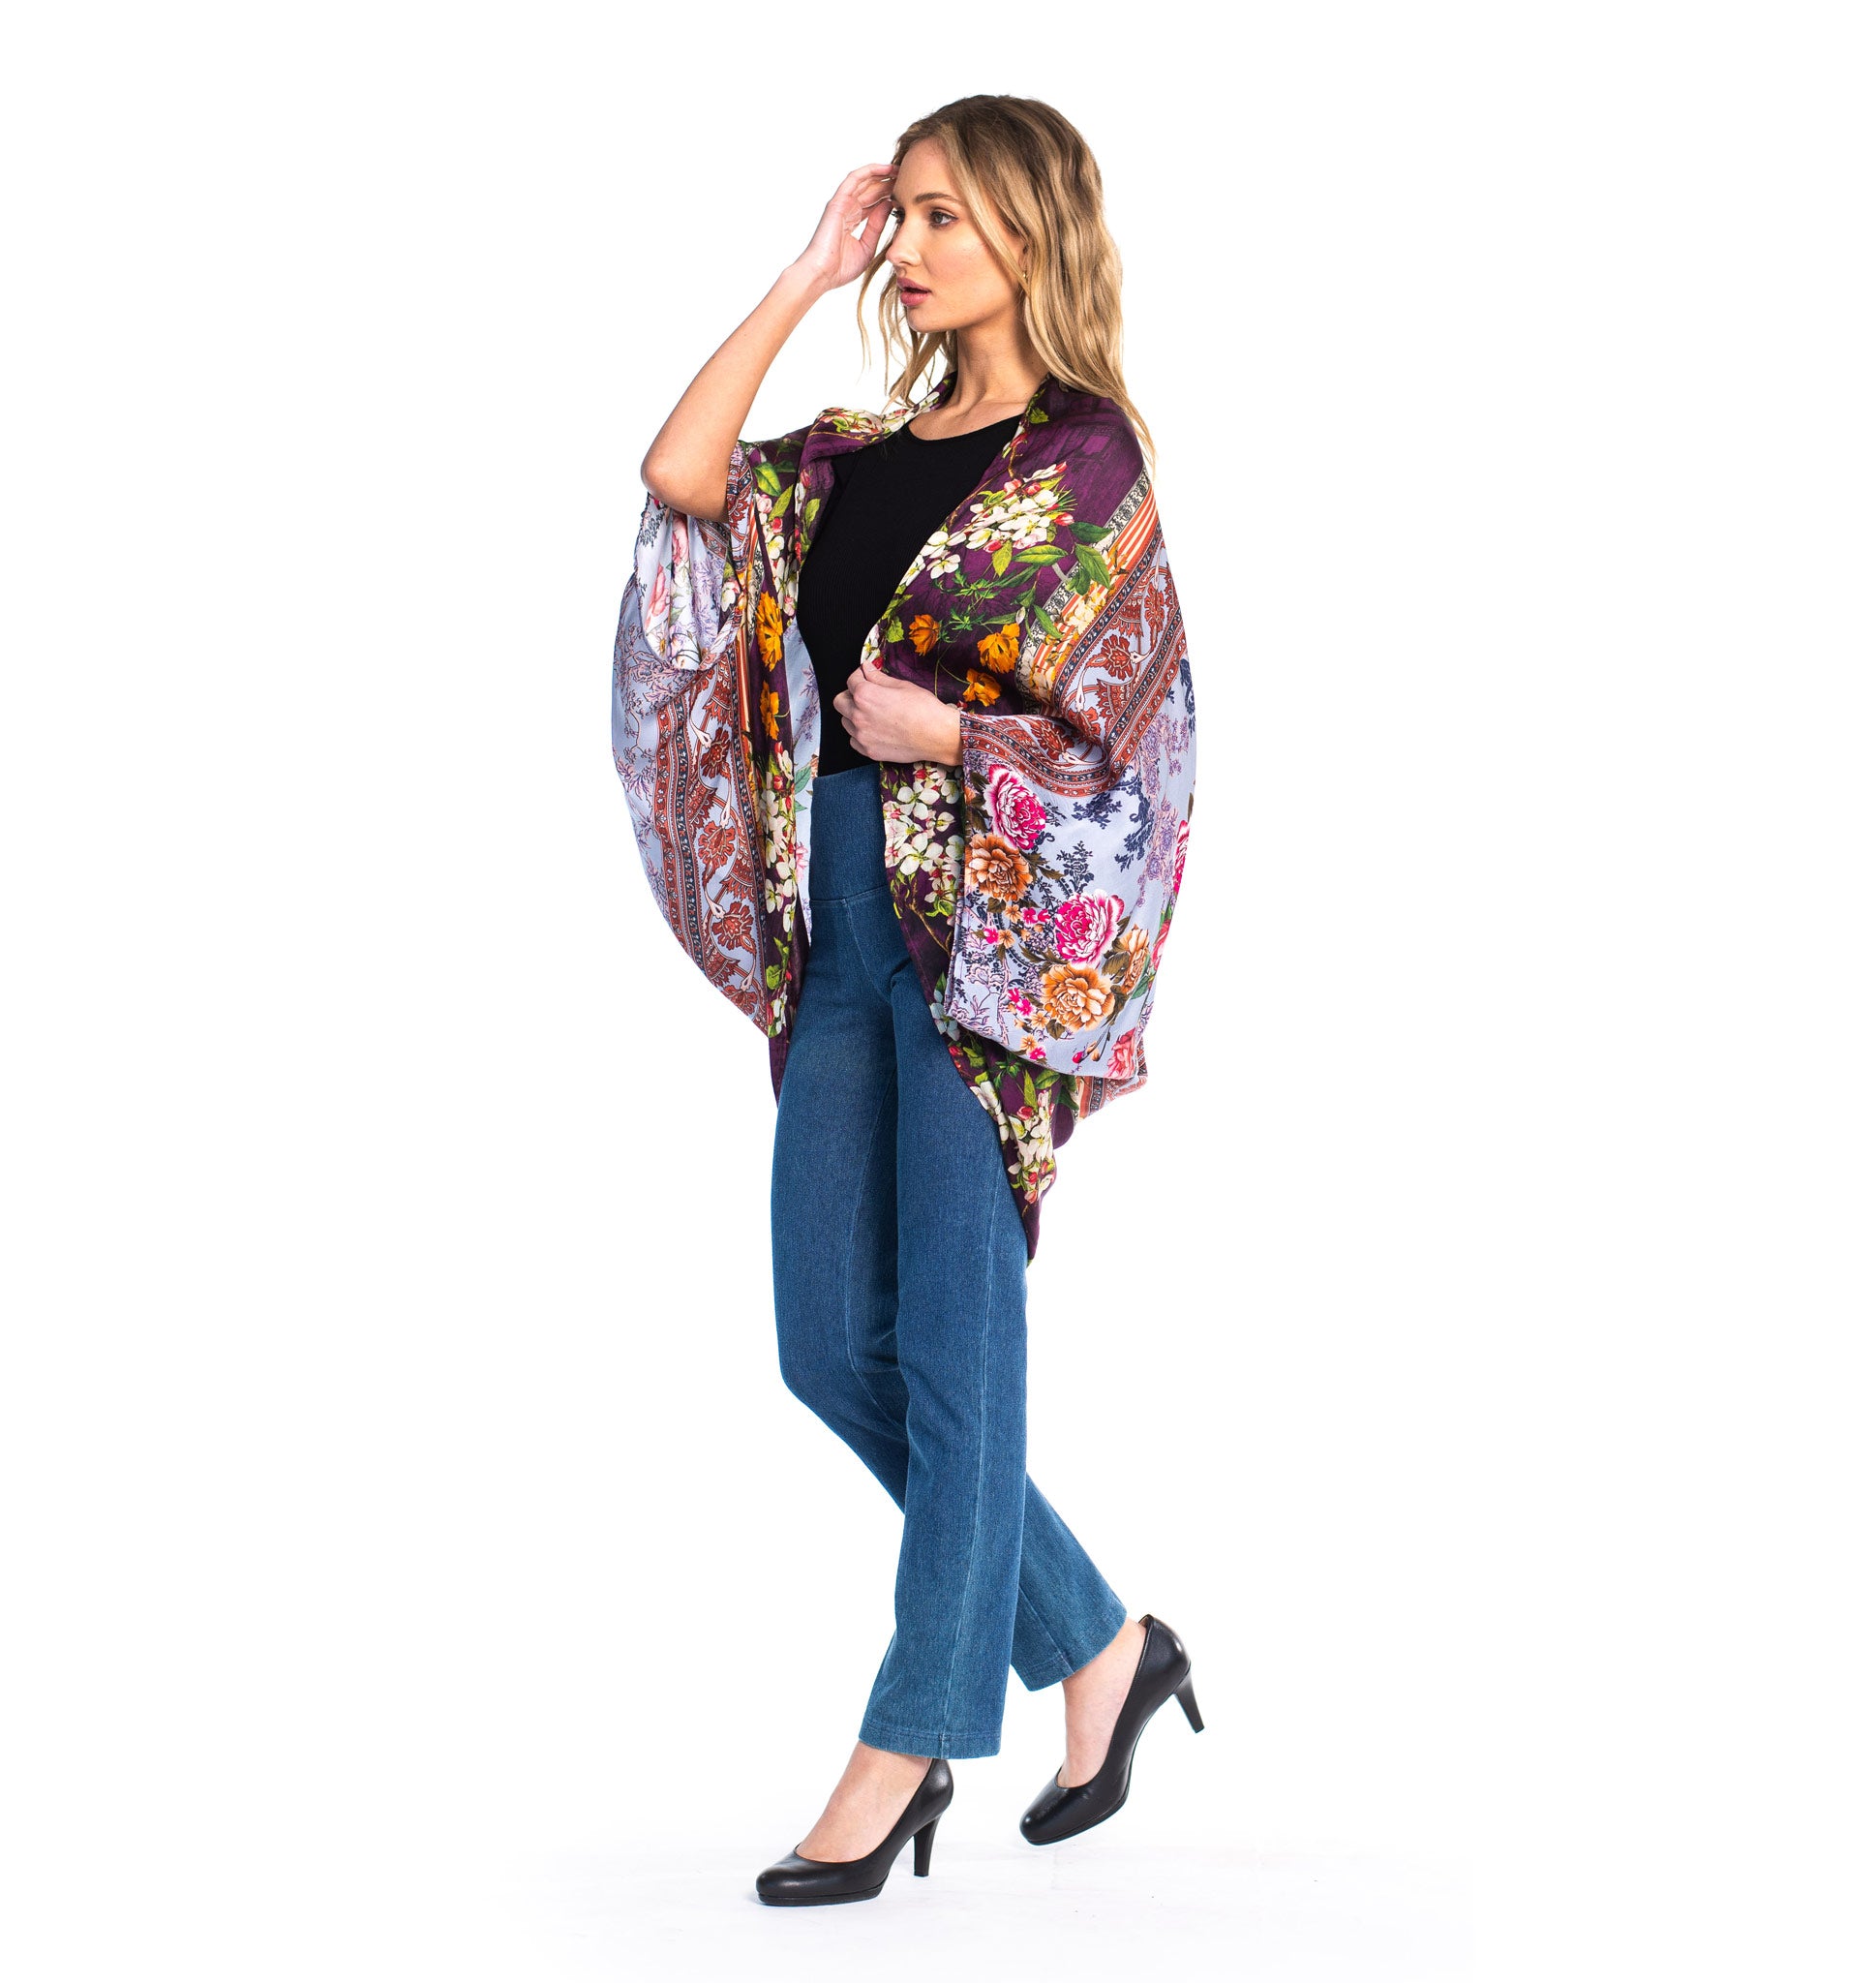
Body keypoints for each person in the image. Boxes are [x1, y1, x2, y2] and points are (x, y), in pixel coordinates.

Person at [615, 94, 1200, 1907]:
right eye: (908, 214)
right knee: (828, 1346)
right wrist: (811, 267)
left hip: (991, 940)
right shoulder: (851, 456)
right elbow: (682, 475)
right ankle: (1099, 1644)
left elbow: (1142, 743)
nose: (917, 246)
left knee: (953, 1350)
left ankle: (912, 1737)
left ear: (1032, 232)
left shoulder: (1082, 463)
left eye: (951, 215)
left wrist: (955, 734)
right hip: (841, 922)